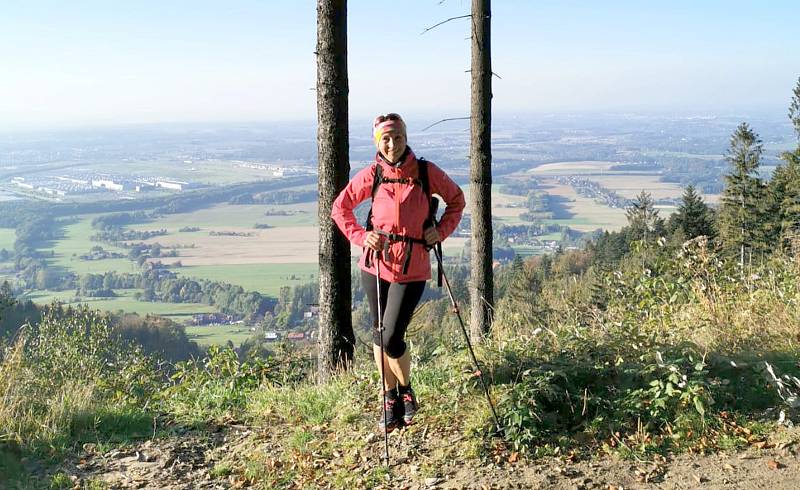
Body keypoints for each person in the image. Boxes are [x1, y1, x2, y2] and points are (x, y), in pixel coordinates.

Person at [332, 113, 465, 432]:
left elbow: (457, 201)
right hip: (374, 263)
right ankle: (389, 397)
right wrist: (363, 237)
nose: (392, 144)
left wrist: (440, 231)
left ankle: (405, 390)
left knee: (391, 335)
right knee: (379, 333)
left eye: (398, 137)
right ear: (378, 142)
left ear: (406, 138)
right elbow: (340, 208)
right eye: (386, 139)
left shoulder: (425, 172)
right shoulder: (373, 174)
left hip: (413, 265)